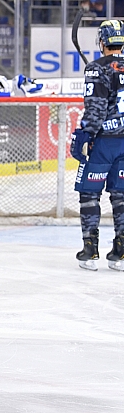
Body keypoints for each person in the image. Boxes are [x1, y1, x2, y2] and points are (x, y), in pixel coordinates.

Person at [71, 19, 124, 272]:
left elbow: (96, 109)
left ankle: (90, 249)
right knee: (121, 195)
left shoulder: (96, 68)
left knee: (89, 193)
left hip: (104, 143)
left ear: (102, 41)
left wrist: (84, 135)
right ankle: (121, 251)